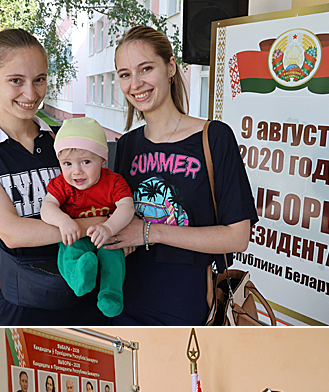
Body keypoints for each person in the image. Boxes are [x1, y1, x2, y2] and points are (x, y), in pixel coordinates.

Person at [0, 29, 105, 325]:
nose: (31, 94)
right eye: (16, 81)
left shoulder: (61, 141)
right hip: (25, 303)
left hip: (84, 293)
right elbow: (12, 232)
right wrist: (101, 226)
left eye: (39, 79)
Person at [109, 25, 256, 326]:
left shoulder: (213, 137)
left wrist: (151, 231)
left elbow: (238, 236)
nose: (136, 83)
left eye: (145, 68)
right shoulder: (126, 145)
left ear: (171, 67)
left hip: (184, 304)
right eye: (125, 74)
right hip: (122, 299)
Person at [40, 117, 134, 318]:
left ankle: (111, 294)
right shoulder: (62, 184)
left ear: (102, 159)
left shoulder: (114, 182)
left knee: (114, 256)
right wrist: (63, 220)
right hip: (77, 236)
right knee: (69, 251)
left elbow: (127, 207)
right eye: (67, 163)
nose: (77, 171)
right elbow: (46, 207)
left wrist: (109, 227)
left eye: (86, 162)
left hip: (106, 236)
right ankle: (80, 277)